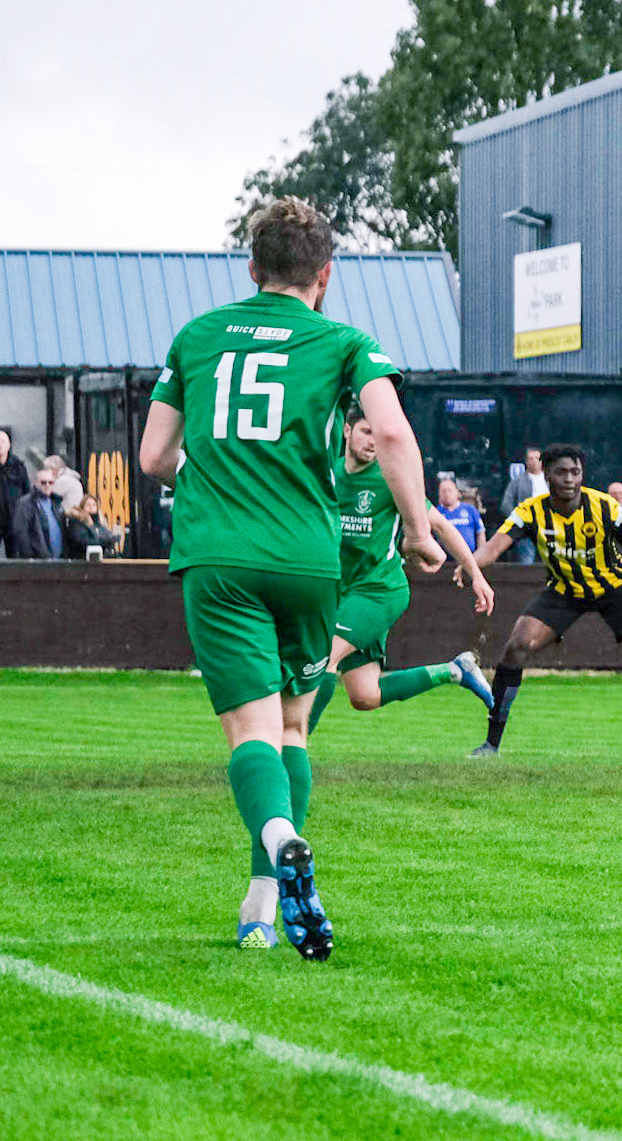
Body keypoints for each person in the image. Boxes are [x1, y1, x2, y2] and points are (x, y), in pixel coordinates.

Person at [137, 196, 444, 960]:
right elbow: (396, 430)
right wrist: (415, 528)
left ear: (252, 267)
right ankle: (262, 903)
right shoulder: (346, 341)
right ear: (325, 274)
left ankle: (278, 841)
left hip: (219, 556)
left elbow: (152, 459)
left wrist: (211, 475)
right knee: (293, 727)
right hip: (310, 562)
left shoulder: (198, 335)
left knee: (249, 732)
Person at [468, 445, 622, 758]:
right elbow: (493, 548)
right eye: (561, 472)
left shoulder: (605, 506)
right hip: (563, 591)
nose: (569, 478)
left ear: (582, 475)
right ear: (546, 474)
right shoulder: (531, 510)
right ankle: (491, 743)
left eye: (575, 472)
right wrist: (469, 565)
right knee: (516, 647)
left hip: (613, 587)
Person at [303, 405, 495, 746]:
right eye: (365, 431)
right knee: (365, 696)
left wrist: (475, 573)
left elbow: (440, 525)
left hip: (379, 591)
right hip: (340, 595)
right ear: (346, 431)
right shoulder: (327, 475)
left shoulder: (390, 480)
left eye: (379, 434)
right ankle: (454, 670)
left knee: (322, 658)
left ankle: (290, 749)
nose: (373, 441)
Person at [500, 448, 547, 564]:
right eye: (531, 458)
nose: (534, 461)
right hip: (527, 530)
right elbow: (505, 504)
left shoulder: (550, 480)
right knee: (526, 563)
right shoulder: (518, 481)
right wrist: (519, 520)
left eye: (537, 458)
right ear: (526, 461)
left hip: (548, 528)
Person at [9, 467, 64, 560]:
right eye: (43, 482)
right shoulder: (25, 503)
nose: (47, 485)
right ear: (36, 483)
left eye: (50, 482)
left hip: (58, 561)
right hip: (37, 562)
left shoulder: (57, 503)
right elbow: (20, 533)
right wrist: (30, 557)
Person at [63, 493, 124, 558]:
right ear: (82, 507)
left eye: (94, 504)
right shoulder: (76, 522)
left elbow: (107, 536)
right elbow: (86, 543)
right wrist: (91, 526)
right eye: (88, 505)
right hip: (81, 561)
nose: (91, 507)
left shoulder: (100, 522)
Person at [433, 478, 485, 551]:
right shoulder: (436, 512)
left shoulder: (470, 509)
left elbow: (480, 532)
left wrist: (481, 553)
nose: (447, 494)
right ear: (439, 494)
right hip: (446, 559)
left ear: (457, 492)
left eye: (450, 490)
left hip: (470, 556)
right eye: (444, 491)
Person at [0, 430, 29, 558]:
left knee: (15, 557)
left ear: (9, 445)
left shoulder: (18, 467)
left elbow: (26, 492)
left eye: (2, 441)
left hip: (13, 519)